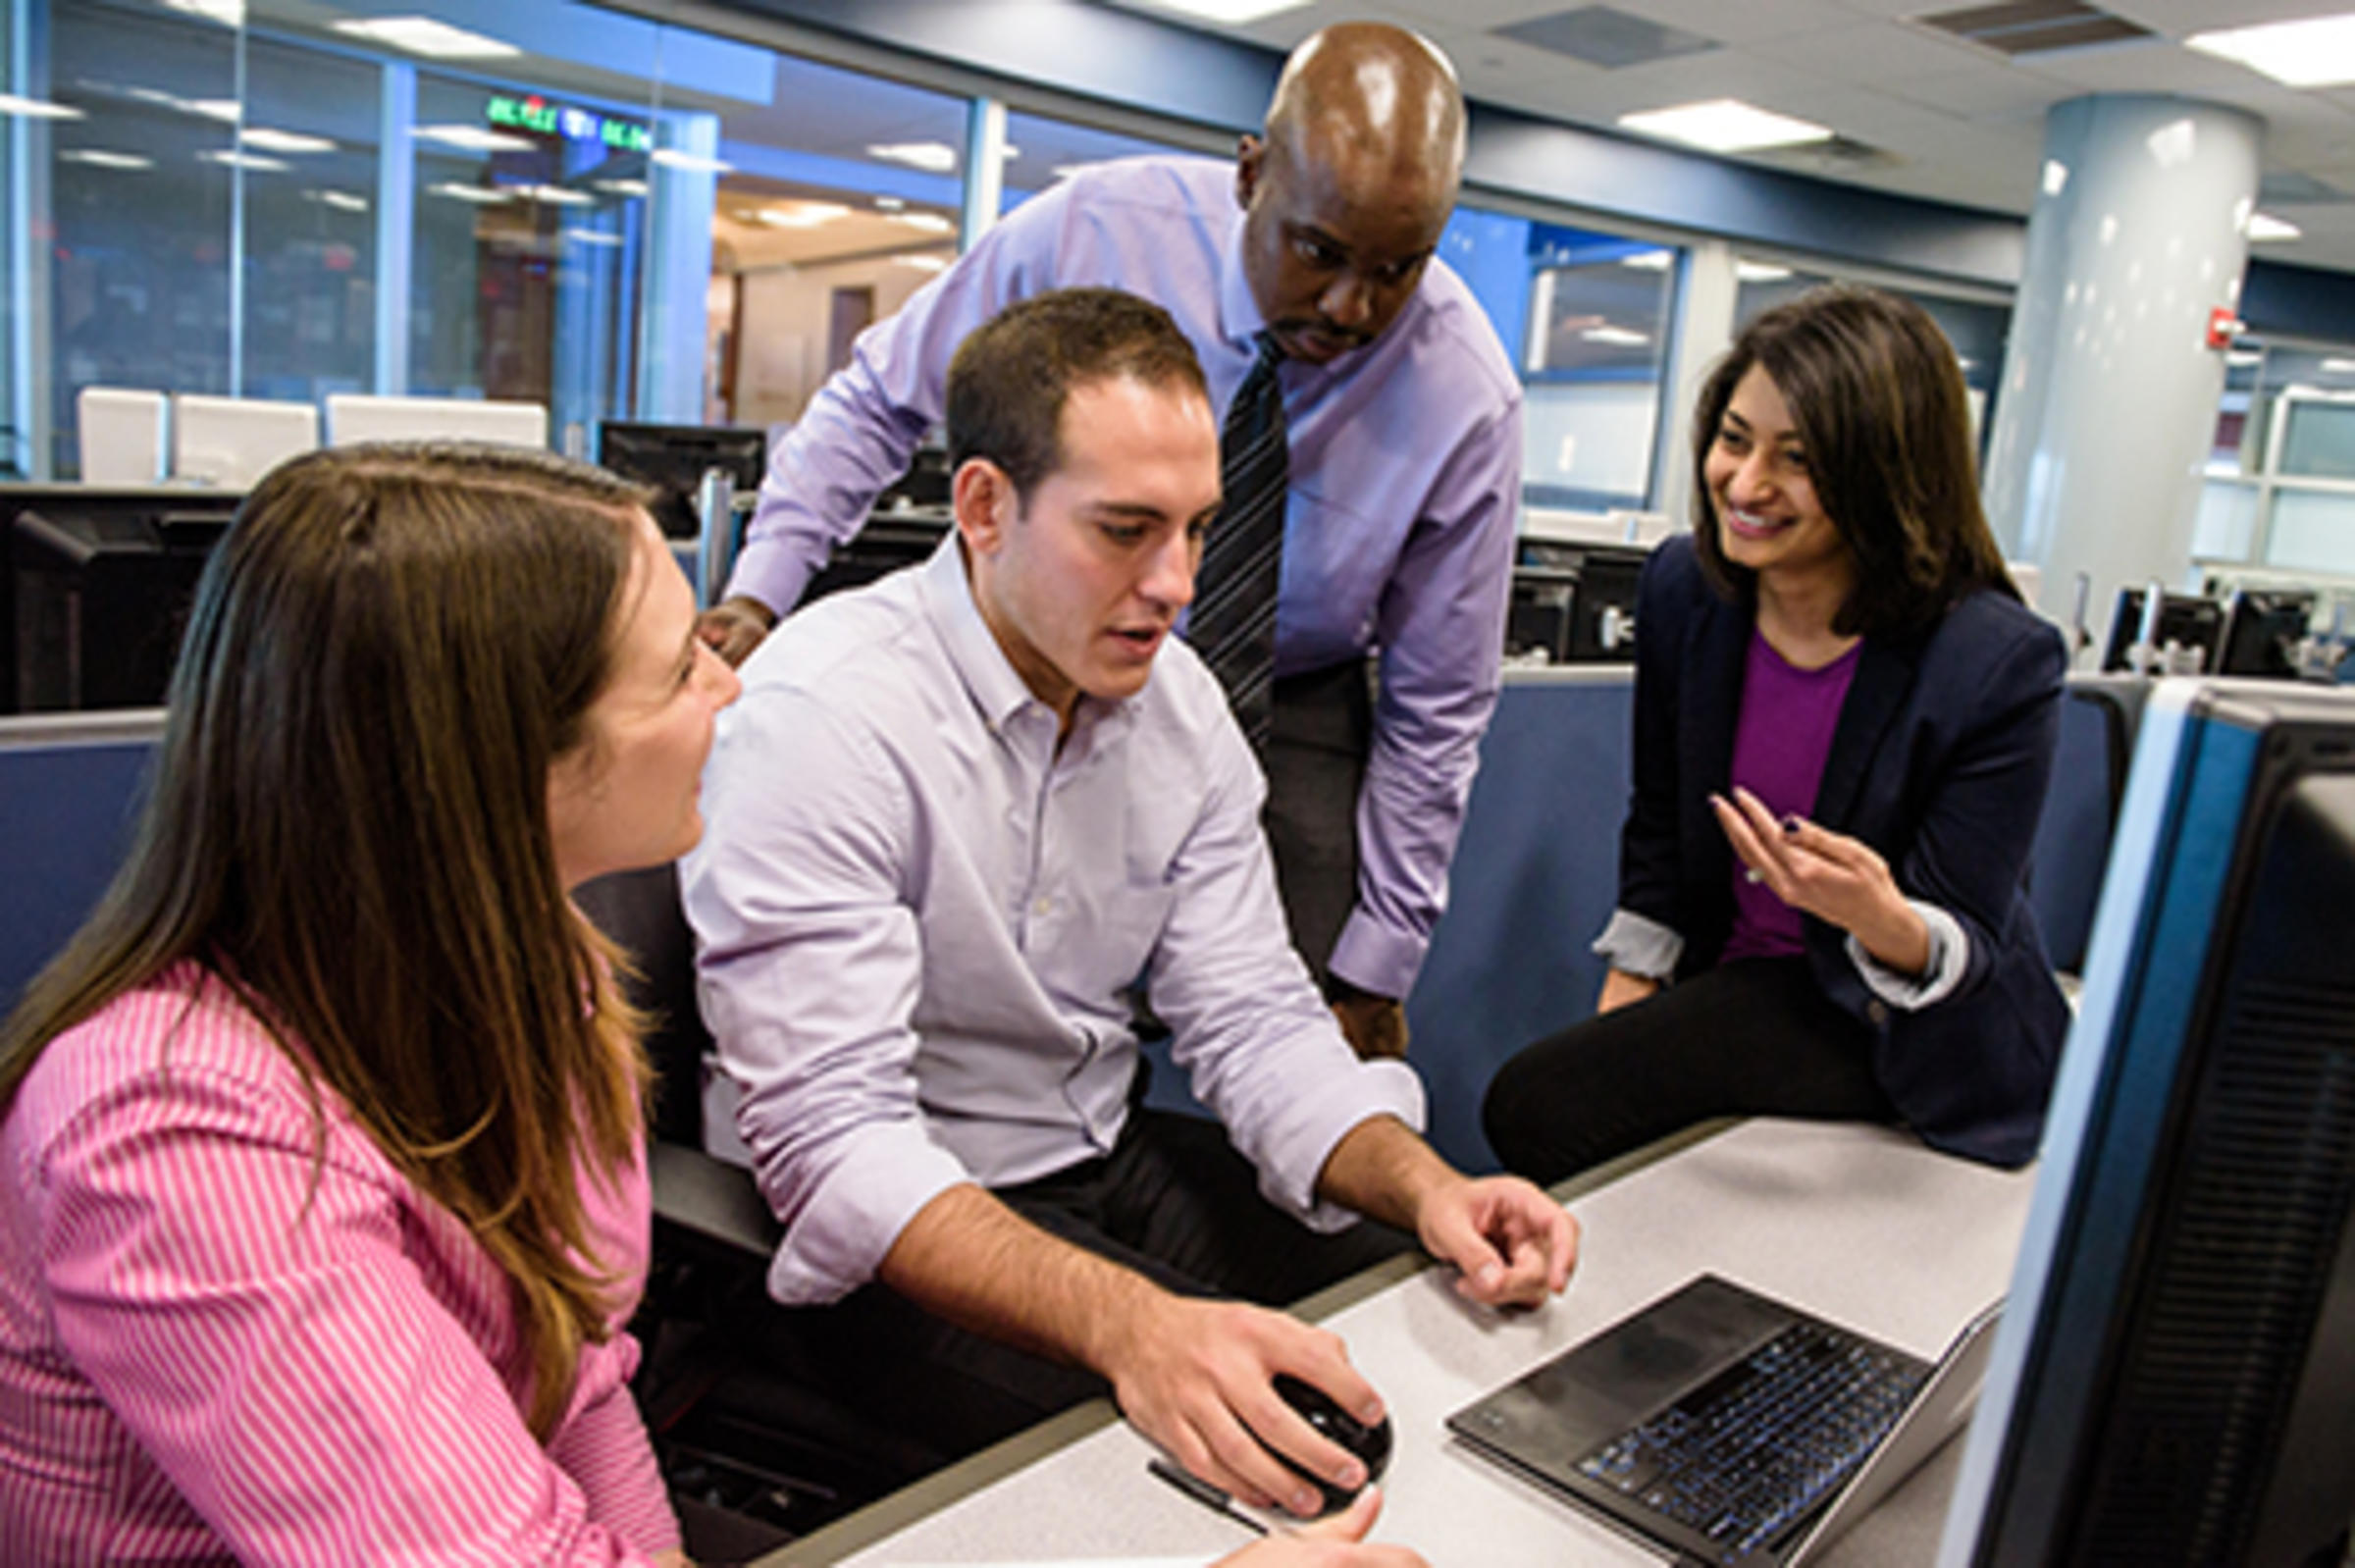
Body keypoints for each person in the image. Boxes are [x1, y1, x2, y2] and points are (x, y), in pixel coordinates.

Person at [682, 287, 1575, 1521]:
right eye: (1124, 529)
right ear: (985, 506)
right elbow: (840, 1148)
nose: (1175, 583)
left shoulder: (1179, 709)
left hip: (1099, 1150)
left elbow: (1258, 1021)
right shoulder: (825, 714)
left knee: (1426, 1313)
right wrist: (1137, 1326)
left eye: (1198, 529)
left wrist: (1428, 1184)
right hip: (901, 1233)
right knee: (1268, 1461)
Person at [697, 22, 1522, 1062]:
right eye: (1319, 251)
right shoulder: (1090, 230)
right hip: (1032, 664)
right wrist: (761, 593)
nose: (1353, 304)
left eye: (1397, 268)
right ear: (1252, 174)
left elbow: (1438, 706)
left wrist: (1379, 960)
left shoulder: (1465, 393)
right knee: (1007, 1005)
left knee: (1294, 1039)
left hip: (1286, 690)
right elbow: (878, 401)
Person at [0, 444, 740, 1564]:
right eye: (685, 667)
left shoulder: (547, 972)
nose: (730, 687)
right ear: (502, 763)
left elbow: (578, 1371)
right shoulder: (172, 1132)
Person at [1482, 286, 2070, 1186]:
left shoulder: (1995, 659)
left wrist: (1882, 919)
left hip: (1897, 1017)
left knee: (1533, 1106)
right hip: (1737, 981)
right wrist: (1629, 997)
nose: (1747, 484)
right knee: (1553, 1111)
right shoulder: (1687, 588)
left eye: (1797, 459)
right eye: (1733, 439)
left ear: (1882, 474)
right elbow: (1662, 823)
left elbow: (1972, 942)